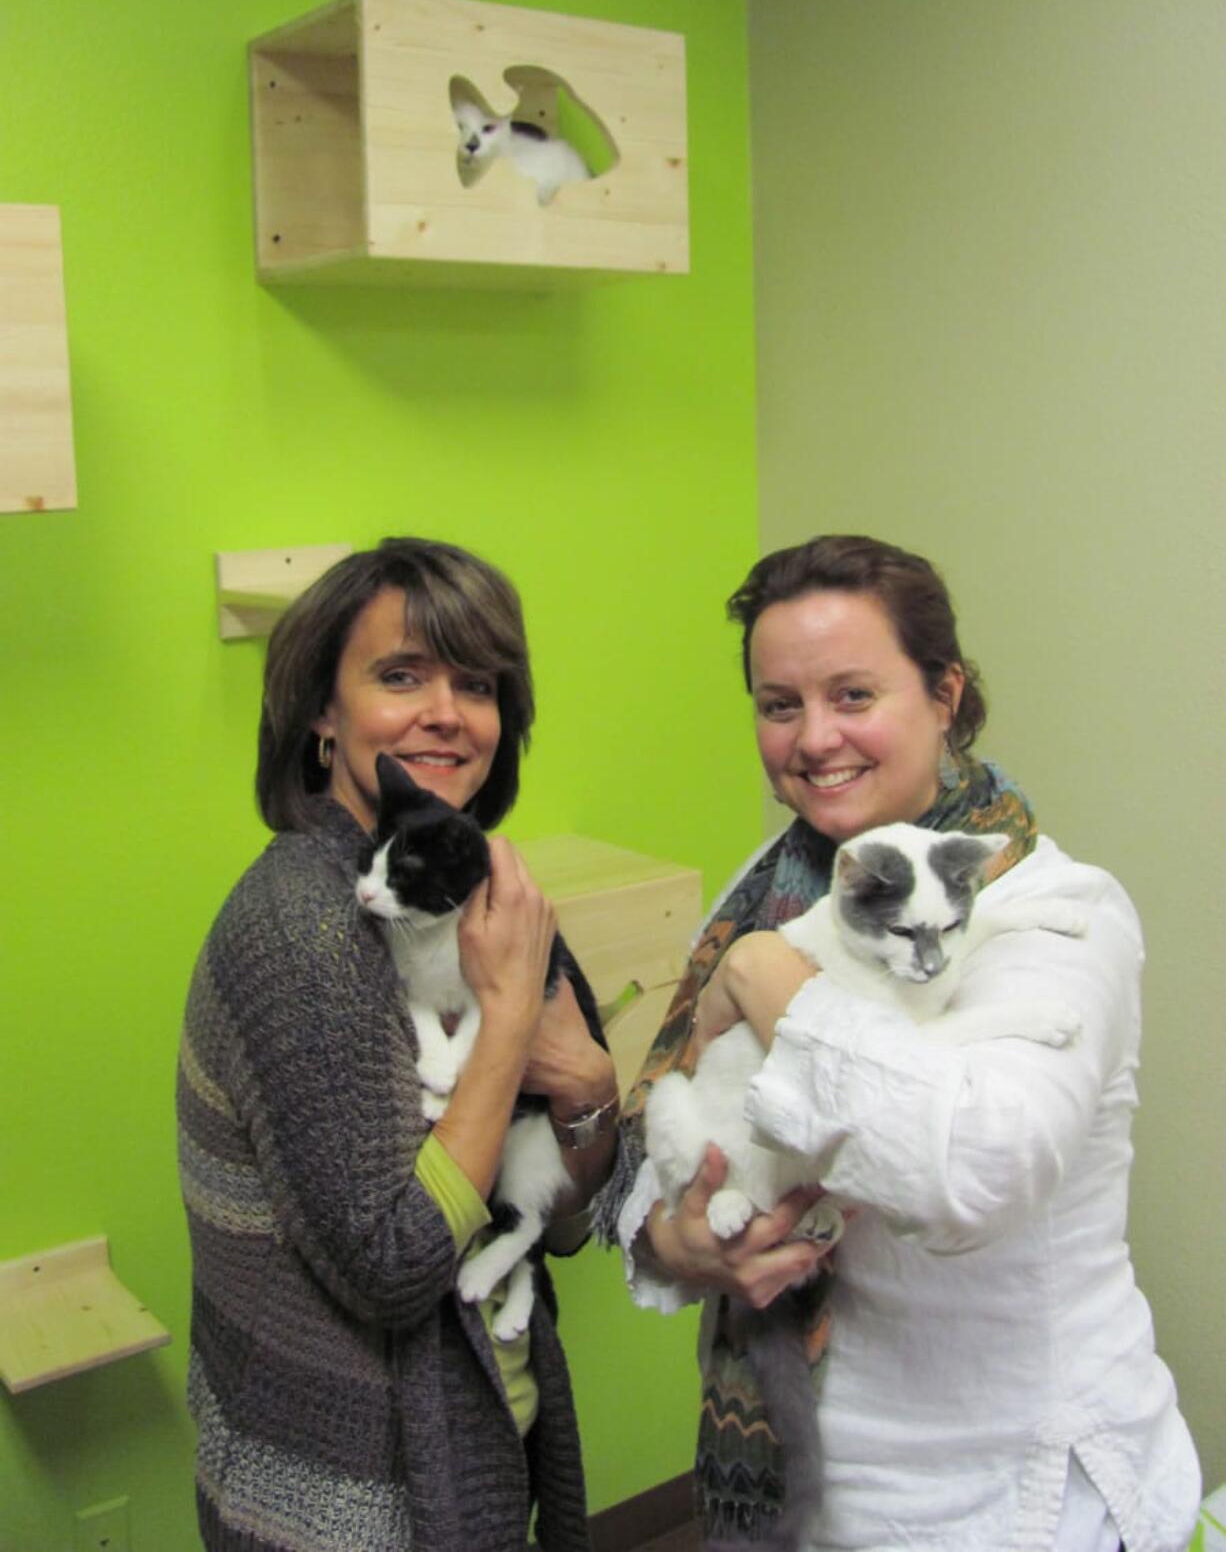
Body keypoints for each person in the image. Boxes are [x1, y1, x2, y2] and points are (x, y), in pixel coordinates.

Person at [597, 534, 1200, 1551]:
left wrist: (765, 981)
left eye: (852, 696)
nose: (812, 738)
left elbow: (969, 1168)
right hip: (805, 1481)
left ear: (943, 696)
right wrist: (678, 1243)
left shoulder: (1058, 916)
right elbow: (667, 1119)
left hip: (1007, 1497)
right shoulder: (782, 878)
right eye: (778, 705)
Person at [178, 536, 619, 1552]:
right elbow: (392, 1262)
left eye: (476, 684)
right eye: (400, 675)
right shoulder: (305, 927)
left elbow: (564, 1219)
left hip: (477, 1460)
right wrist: (509, 1026)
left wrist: (590, 1084)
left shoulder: (484, 894)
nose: (446, 713)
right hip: (346, 1503)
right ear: (322, 716)